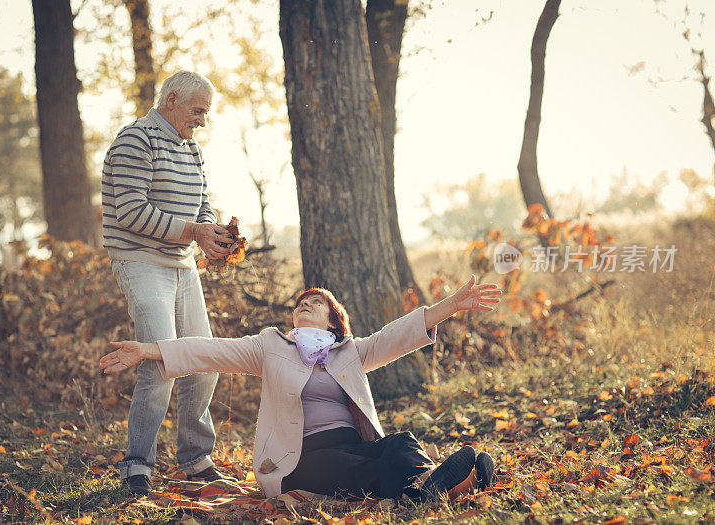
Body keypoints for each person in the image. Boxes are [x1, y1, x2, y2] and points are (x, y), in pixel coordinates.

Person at [99, 275, 502, 501]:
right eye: (299, 303)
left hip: (352, 443)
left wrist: (453, 304)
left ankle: (435, 486)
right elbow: (210, 351)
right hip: (299, 458)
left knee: (399, 445)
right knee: (337, 468)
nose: (302, 305)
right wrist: (149, 349)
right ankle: (444, 486)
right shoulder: (271, 346)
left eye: (314, 301)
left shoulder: (351, 351)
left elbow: (400, 334)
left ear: (333, 320)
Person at [101, 70, 237, 496]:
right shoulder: (134, 140)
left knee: (203, 359)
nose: (202, 121)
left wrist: (212, 235)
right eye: (198, 111)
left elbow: (203, 203)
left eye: (206, 114)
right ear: (172, 99)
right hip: (140, 261)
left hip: (181, 265)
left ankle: (196, 459)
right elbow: (130, 211)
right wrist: (193, 233)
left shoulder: (192, 148)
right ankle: (137, 467)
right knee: (161, 363)